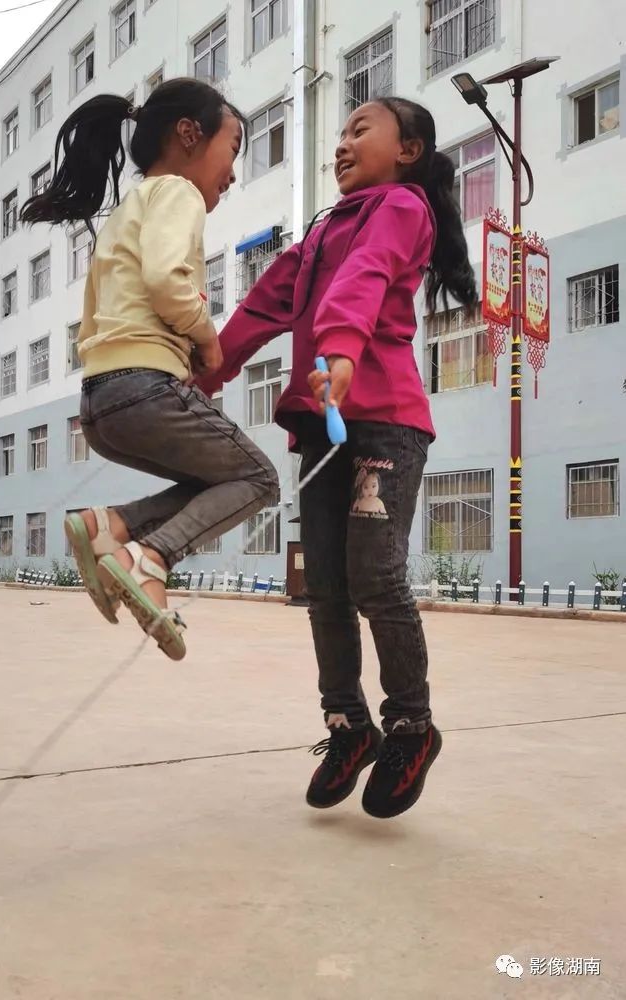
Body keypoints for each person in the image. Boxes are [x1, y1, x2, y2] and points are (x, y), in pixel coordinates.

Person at [198, 97, 477, 818]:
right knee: (323, 585)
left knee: (374, 576)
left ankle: (411, 726)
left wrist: (343, 353)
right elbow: (264, 305)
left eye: (360, 130)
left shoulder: (401, 207)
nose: (342, 145)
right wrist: (205, 371)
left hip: (384, 423)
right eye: (341, 135)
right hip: (325, 429)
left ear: (408, 150)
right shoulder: (322, 230)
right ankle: (349, 725)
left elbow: (367, 277)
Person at [21, 79, 279, 661]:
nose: (233, 172)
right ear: (189, 135)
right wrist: (207, 339)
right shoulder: (178, 192)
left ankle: (108, 527)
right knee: (259, 479)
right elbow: (167, 280)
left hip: (100, 403)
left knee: (214, 482)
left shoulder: (125, 212)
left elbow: (109, 308)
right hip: (143, 388)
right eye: (233, 148)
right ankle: (151, 558)